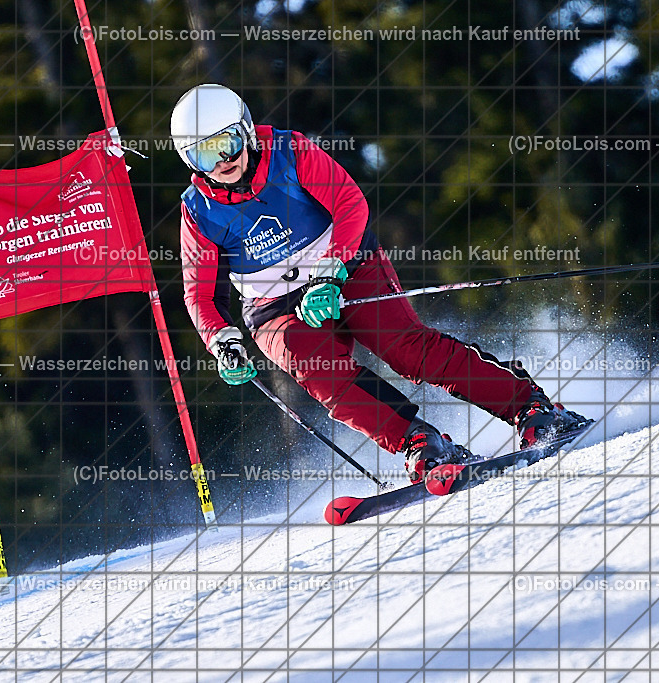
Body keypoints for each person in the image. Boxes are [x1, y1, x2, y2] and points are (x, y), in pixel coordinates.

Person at [171, 84, 591, 484]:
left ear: (245, 131)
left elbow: (349, 202)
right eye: (205, 154)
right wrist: (222, 341)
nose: (222, 159)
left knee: (404, 348)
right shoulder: (199, 212)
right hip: (274, 305)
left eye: (227, 142)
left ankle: (531, 407)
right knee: (321, 371)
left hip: (344, 264)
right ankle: (422, 442)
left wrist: (330, 271)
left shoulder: (290, 151)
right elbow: (200, 293)